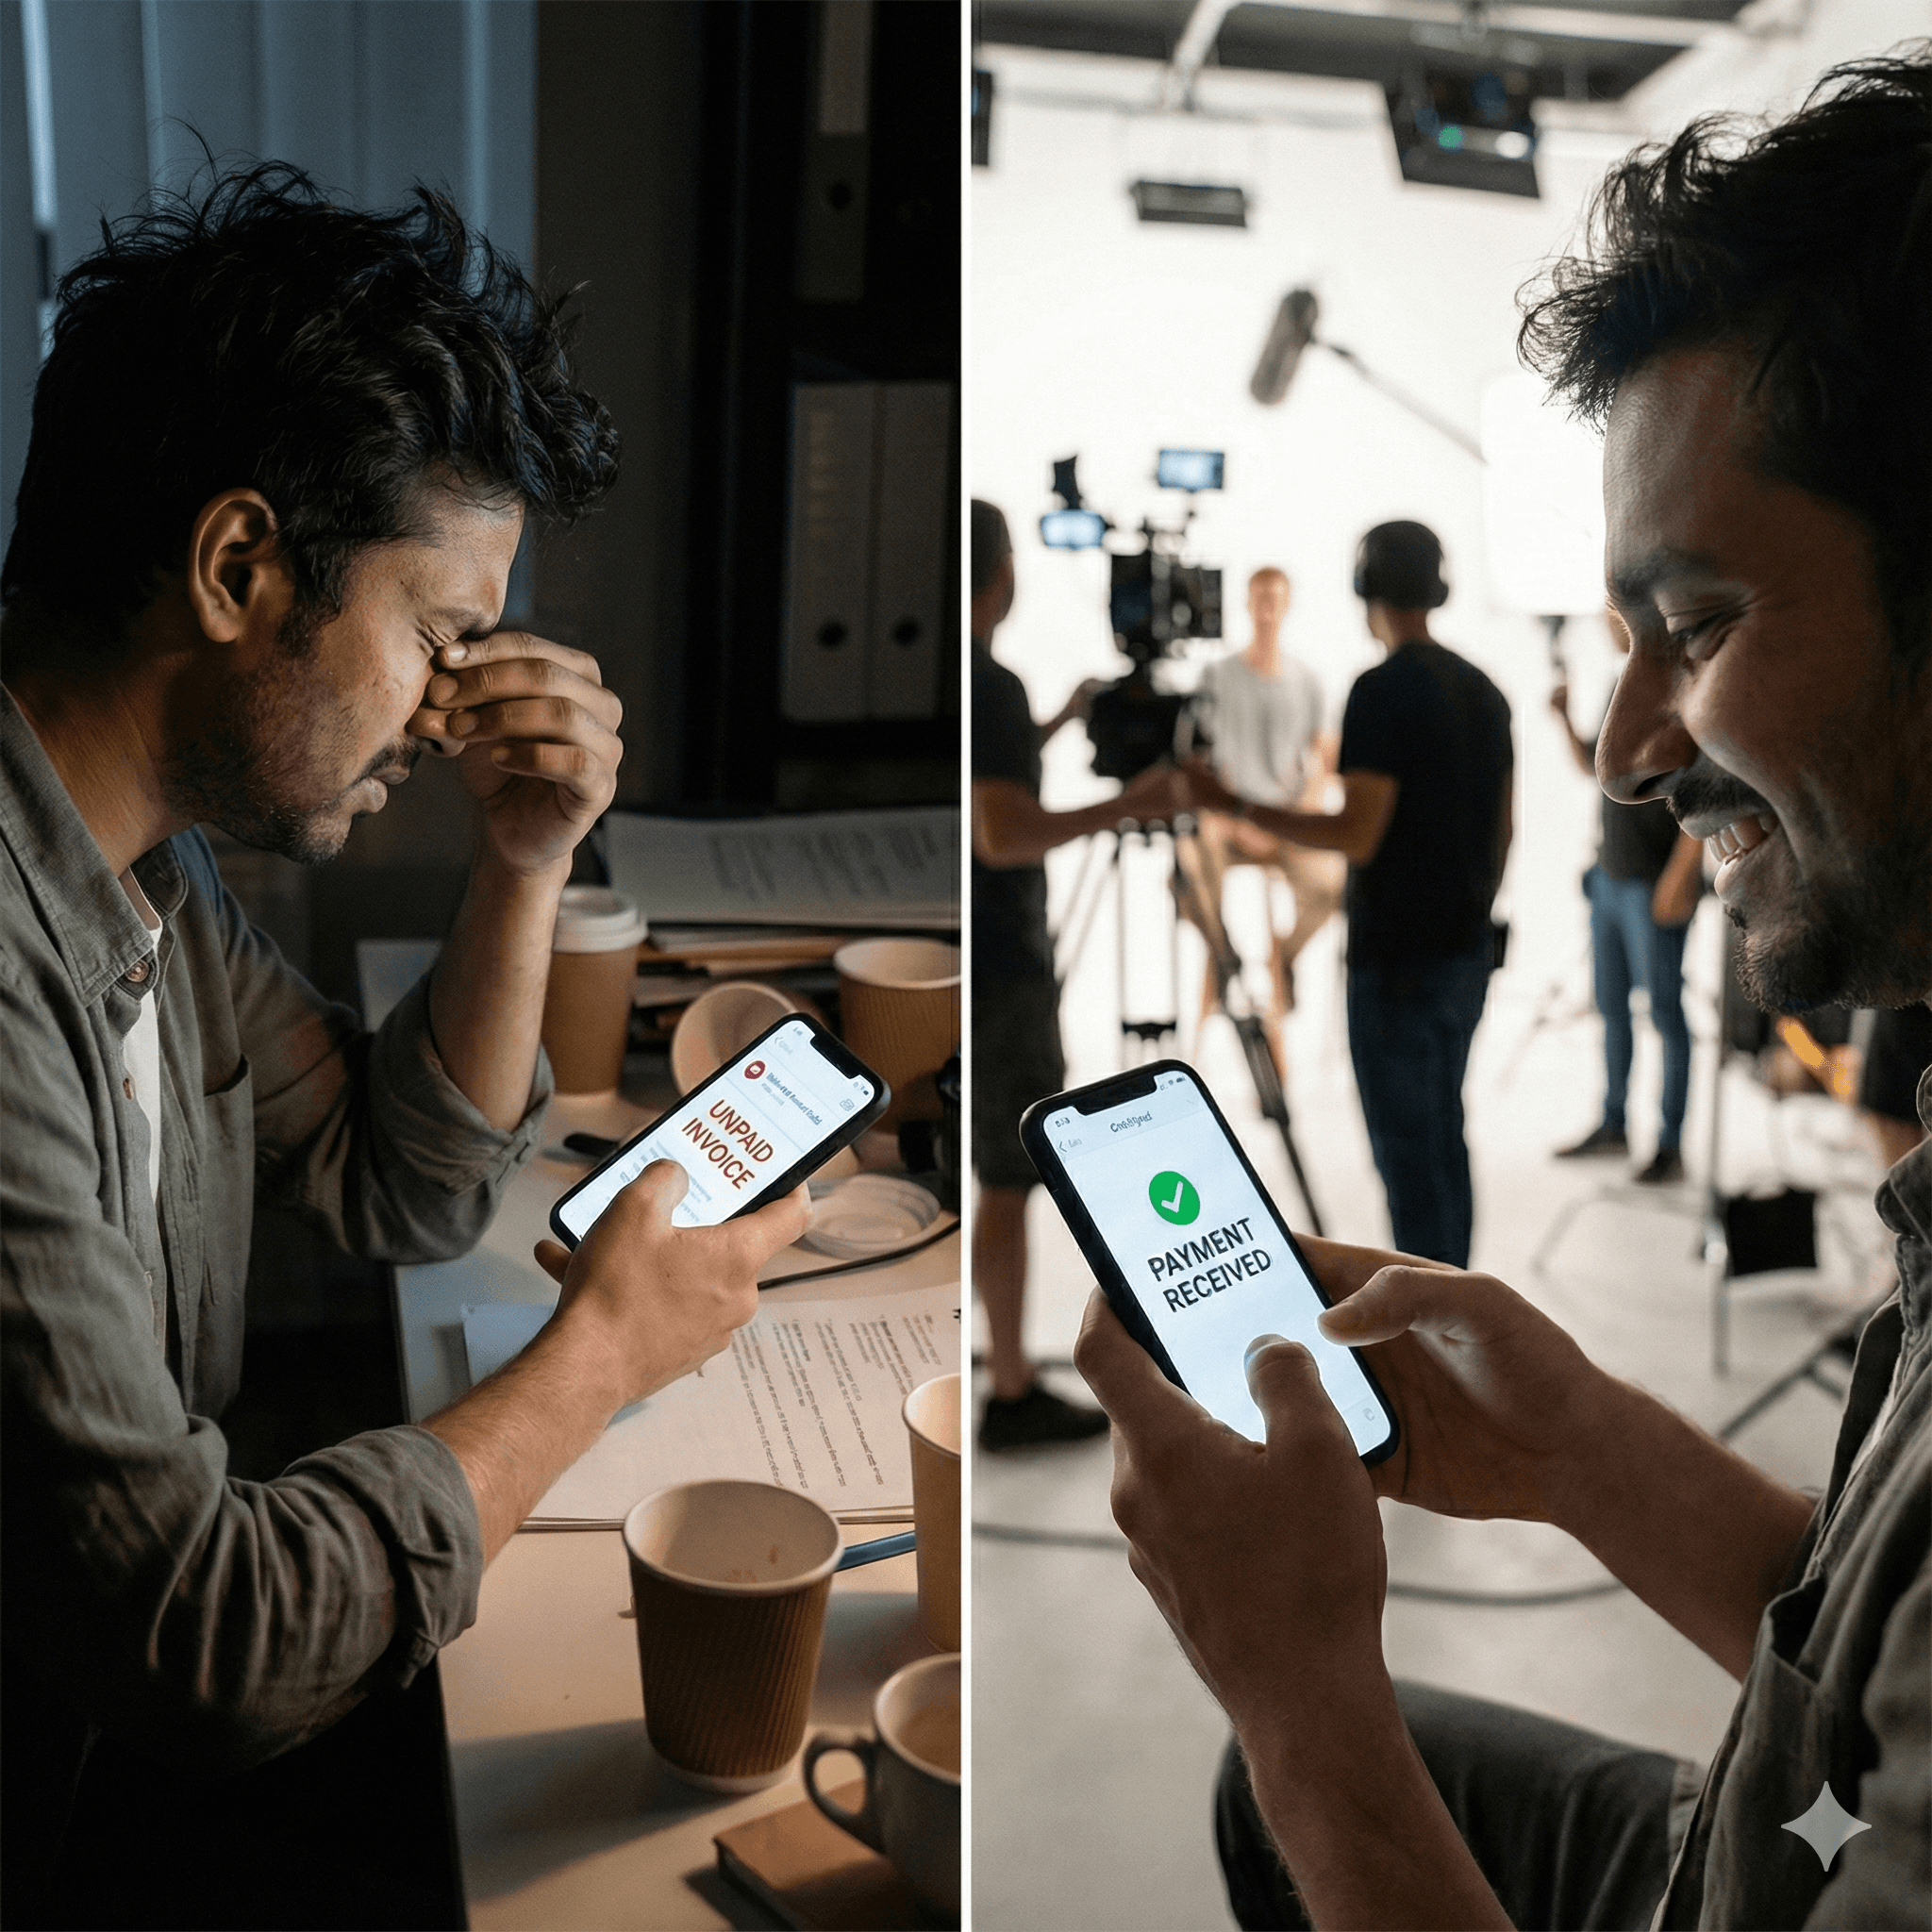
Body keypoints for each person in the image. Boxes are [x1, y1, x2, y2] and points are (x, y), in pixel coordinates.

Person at [1077, 53, 1930, 1930]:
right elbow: (1873, 1710)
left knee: (1277, 1784)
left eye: (1693, 624)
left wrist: (1300, 1701)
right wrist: (1569, 1439)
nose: (1621, 748)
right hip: (1777, 1842)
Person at [1, 166, 809, 1924]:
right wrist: (600, 1355)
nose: (449, 708)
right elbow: (204, 1634)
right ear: (238, 566)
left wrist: (524, 857)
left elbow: (403, 1181)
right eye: (439, 633)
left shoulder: (142, 868)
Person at [1190, 522, 1513, 1268]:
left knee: (1407, 1153)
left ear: (1365, 587)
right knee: (1444, 1132)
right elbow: (1505, 829)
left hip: (1396, 962)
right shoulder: (1485, 689)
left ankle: (1426, 1308)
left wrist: (1231, 804)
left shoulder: (1379, 690)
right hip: (1466, 951)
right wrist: (1470, 911)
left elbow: (1355, 833)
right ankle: (1457, 1294)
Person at [970, 497, 1182, 1448]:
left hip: (985, 956)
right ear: (1003, 574)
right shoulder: (992, 682)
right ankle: (1010, 1387)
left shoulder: (981, 686)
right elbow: (1003, 833)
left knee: (998, 1170)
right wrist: (1128, 804)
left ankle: (1007, 1368)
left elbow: (987, 784)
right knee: (1006, 1173)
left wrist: (1054, 720)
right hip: (1003, 962)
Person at [1551, 657, 1704, 1183]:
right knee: (1611, 1007)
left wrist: (1681, 876)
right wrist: (1564, 717)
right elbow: (1597, 769)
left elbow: (1702, 785)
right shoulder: (1621, 682)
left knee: (1665, 1014)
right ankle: (1614, 1124)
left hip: (1652, 884)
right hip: (1609, 878)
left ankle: (1670, 1145)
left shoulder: (1683, 680)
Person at [1190, 567, 1345, 1072]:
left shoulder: (1308, 680)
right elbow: (1201, 761)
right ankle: (1225, 957)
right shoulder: (1218, 677)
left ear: (1288, 605)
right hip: (1229, 819)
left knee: (1330, 883)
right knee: (1188, 866)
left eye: (1275, 599)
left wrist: (1292, 817)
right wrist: (1236, 817)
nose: (1266, 610)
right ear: (1246, 603)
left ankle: (1283, 958)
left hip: (1286, 819)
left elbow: (1324, 759)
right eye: (1259, 598)